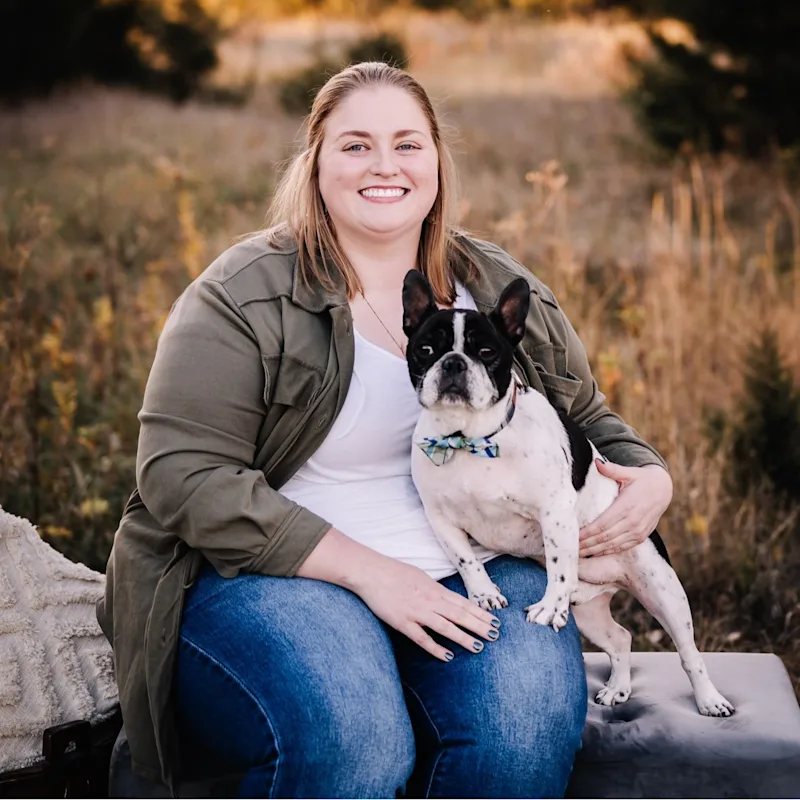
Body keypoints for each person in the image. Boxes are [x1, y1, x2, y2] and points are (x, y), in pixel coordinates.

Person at [97, 61, 672, 799]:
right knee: (353, 740)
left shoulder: (492, 283)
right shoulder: (242, 293)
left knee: (521, 728)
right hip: (273, 577)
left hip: (481, 562)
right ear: (315, 162)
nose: (385, 166)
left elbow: (585, 415)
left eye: (407, 144)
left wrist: (649, 474)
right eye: (355, 145)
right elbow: (182, 474)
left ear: (437, 159)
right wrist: (373, 574)